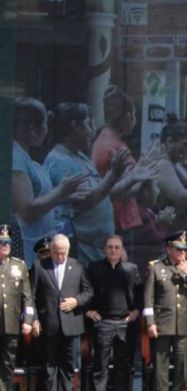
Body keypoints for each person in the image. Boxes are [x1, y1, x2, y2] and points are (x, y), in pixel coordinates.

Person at [43, 103, 130, 265]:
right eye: (89, 123)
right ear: (75, 126)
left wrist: (131, 178)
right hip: (82, 252)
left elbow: (103, 195)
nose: (93, 129)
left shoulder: (80, 157)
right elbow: (87, 201)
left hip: (98, 250)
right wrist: (113, 175)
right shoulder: (60, 161)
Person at [11, 98, 86, 265]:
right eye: (44, 123)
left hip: (40, 247)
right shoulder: (15, 158)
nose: (47, 130)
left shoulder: (26, 156)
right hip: (25, 249)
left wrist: (65, 195)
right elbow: (26, 210)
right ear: (32, 129)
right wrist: (61, 192)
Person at [30, 233, 93, 391]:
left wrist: (76, 301)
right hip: (48, 323)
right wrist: (34, 318)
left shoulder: (77, 266)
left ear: (68, 250)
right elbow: (31, 296)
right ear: (50, 250)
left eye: (63, 253)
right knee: (50, 365)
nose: (60, 257)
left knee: (67, 365)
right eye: (56, 253)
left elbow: (88, 292)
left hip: (71, 324)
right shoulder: (39, 266)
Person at [143, 231, 187, 391]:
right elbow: (148, 299)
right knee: (161, 366)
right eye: (178, 250)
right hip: (163, 324)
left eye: (184, 250)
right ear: (168, 249)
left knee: (182, 365)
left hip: (184, 323)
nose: (182, 254)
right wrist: (150, 323)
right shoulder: (156, 267)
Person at [91, 86, 159, 249]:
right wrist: (144, 172)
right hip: (121, 221)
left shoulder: (102, 139)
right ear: (128, 116)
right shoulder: (117, 147)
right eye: (134, 114)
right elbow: (125, 191)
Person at [84, 235, 141, 391]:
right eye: (110, 247)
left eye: (117, 247)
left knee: (122, 366)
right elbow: (86, 291)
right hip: (103, 322)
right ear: (104, 249)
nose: (113, 250)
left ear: (122, 249)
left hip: (124, 323)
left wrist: (136, 311)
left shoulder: (131, 269)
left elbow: (140, 293)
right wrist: (87, 310)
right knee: (100, 365)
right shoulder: (94, 268)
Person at [0, 225, 35, 391]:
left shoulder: (19, 266)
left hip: (10, 323)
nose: (5, 246)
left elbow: (27, 298)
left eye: (8, 243)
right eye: (2, 242)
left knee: (7, 363)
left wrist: (28, 320)